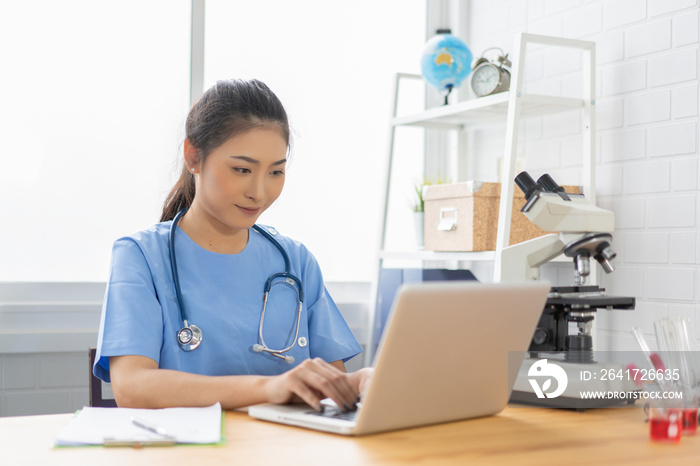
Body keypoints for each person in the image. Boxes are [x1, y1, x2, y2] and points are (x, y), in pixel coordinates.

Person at [93, 78, 371, 412]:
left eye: (275, 172)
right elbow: (133, 388)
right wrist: (272, 387)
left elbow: (330, 388)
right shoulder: (140, 257)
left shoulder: (295, 261)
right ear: (194, 157)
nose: (259, 192)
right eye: (242, 169)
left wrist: (360, 382)